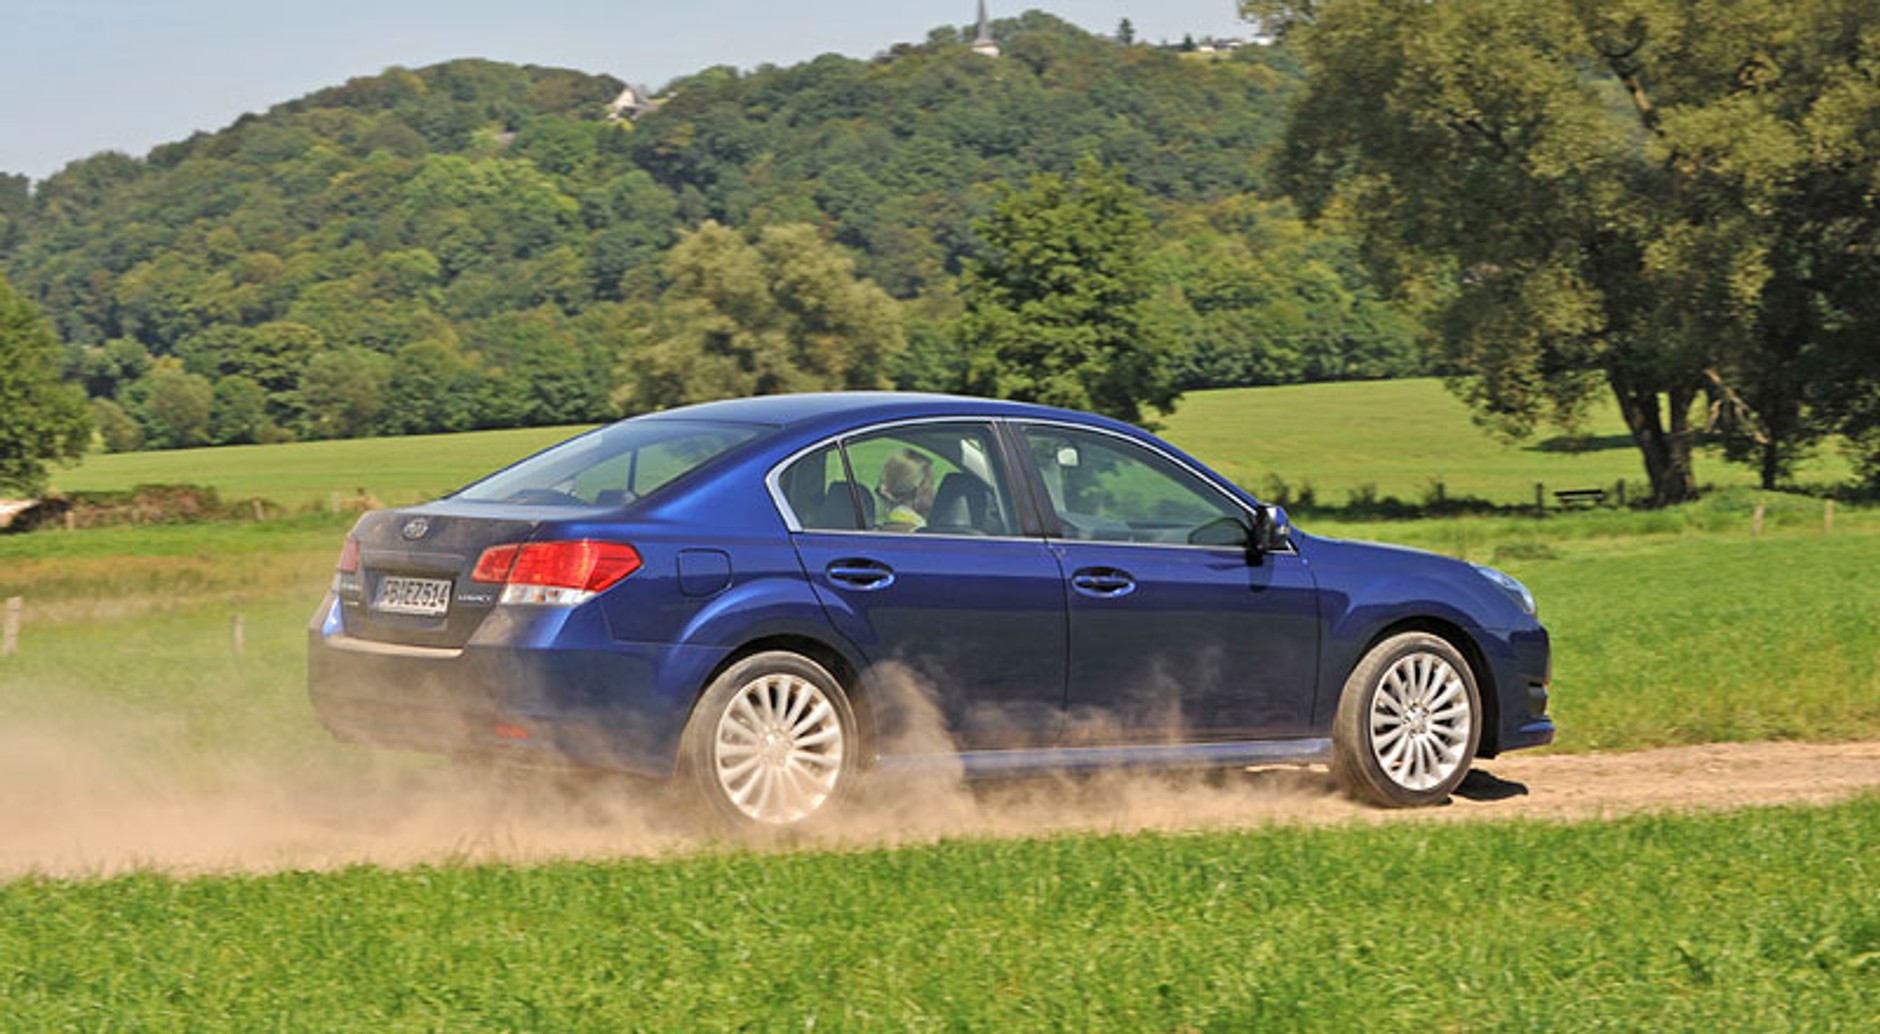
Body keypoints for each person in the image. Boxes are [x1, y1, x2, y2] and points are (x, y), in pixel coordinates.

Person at [875, 448, 934, 531]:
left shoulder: (886, 524)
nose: (934, 492)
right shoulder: (916, 531)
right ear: (918, 491)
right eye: (931, 484)